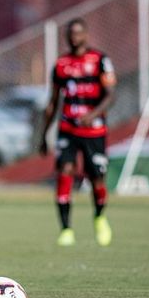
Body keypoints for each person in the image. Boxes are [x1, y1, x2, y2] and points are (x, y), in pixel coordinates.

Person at [39, 18, 116, 247]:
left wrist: (93, 115)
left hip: (94, 130)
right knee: (65, 170)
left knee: (97, 177)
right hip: (68, 129)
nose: (74, 37)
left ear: (86, 35)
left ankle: (99, 217)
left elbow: (111, 94)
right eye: (70, 34)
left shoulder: (101, 60)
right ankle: (66, 229)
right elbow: (53, 101)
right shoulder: (61, 64)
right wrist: (44, 134)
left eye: (78, 33)